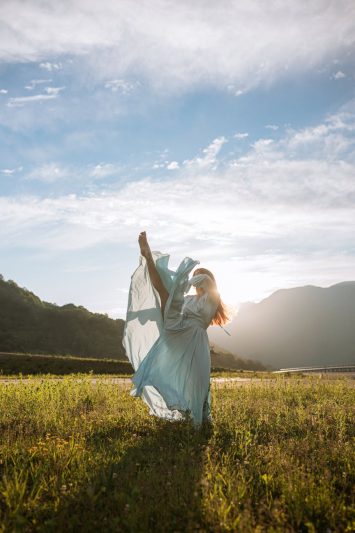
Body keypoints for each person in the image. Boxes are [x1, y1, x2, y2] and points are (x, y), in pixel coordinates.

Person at [122, 231, 229, 427]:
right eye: (195, 277)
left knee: (197, 380)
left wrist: (187, 278)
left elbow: (206, 282)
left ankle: (199, 419)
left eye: (200, 277)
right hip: (179, 330)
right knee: (164, 294)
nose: (196, 280)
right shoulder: (188, 299)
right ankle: (148, 257)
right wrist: (180, 282)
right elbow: (174, 297)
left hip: (194, 337)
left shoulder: (213, 297)